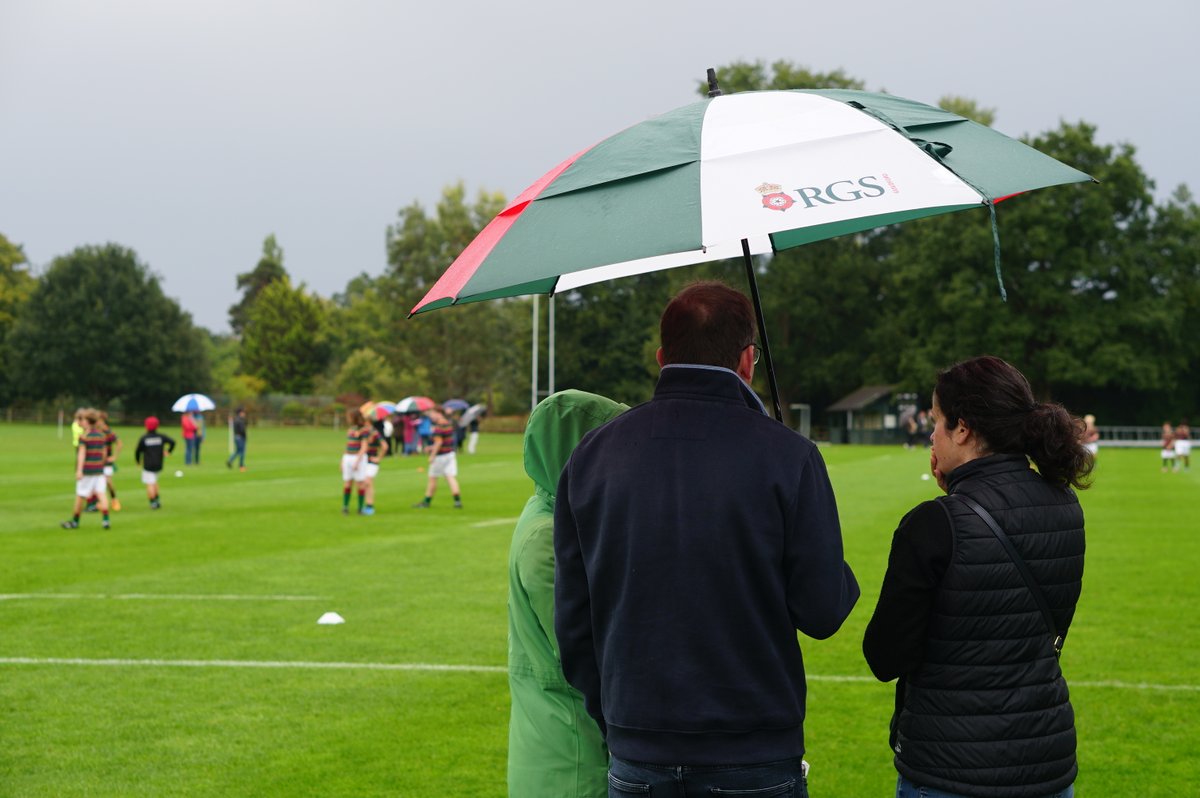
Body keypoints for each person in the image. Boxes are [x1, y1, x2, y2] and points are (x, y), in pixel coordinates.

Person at [554, 281, 859, 796]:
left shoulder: (593, 454)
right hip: (752, 750)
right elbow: (823, 609)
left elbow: (573, 621)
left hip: (638, 748)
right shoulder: (787, 456)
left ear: (661, 357)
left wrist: (619, 722)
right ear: (747, 361)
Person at [863, 355, 1093, 798]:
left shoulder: (932, 524)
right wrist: (960, 494)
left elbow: (885, 656)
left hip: (951, 770)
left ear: (962, 429)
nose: (931, 434)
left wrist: (954, 503)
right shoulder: (1065, 506)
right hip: (1046, 762)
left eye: (936, 421)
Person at [508, 390, 628, 798]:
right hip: (572, 758)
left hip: (579, 744)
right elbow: (582, 646)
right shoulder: (546, 536)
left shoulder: (564, 514)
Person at [62, 408, 111, 529]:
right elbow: (104, 454)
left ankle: (75, 521)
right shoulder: (102, 436)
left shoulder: (84, 437)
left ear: (88, 421)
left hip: (87, 471)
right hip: (99, 470)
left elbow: (81, 455)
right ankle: (105, 521)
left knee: (80, 495)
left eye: (83, 420)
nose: (81, 422)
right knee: (102, 494)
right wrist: (101, 464)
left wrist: (79, 470)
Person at [413, 407, 462, 509]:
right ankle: (457, 501)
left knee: (432, 478)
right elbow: (444, 440)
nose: (431, 416)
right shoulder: (447, 423)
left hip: (440, 456)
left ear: (438, 413)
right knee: (450, 477)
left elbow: (439, 442)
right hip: (450, 454)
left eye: (432, 413)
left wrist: (432, 455)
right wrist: (431, 447)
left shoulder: (438, 427)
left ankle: (426, 502)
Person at [134, 416, 176, 509]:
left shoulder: (144, 438)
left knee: (150, 483)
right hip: (159, 464)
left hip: (148, 464)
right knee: (154, 482)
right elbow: (173, 442)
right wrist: (168, 451)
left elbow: (137, 451)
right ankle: (157, 500)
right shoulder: (161, 437)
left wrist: (137, 461)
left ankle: (153, 502)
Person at [340, 409, 370, 515]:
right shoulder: (351, 429)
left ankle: (360, 508)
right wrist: (343, 460)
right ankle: (345, 507)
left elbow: (364, 447)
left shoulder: (364, 430)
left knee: (360, 483)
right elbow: (347, 445)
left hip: (358, 458)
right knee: (347, 483)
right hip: (348, 456)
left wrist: (357, 461)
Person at [360, 421, 389, 515]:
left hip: (372, 462)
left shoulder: (375, 433)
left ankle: (369, 506)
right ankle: (365, 505)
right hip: (363, 461)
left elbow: (385, 446)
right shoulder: (362, 433)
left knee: (368, 482)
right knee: (363, 483)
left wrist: (379, 458)